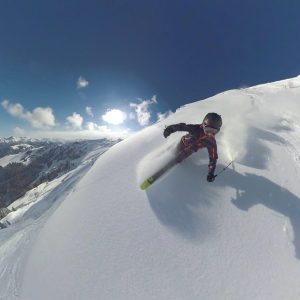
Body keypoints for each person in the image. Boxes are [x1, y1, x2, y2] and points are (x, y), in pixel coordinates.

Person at [163, 112, 222, 182]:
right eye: (208, 129)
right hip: (183, 143)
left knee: (178, 159)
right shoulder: (196, 128)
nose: (210, 133)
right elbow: (181, 126)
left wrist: (211, 173)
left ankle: (173, 162)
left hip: (190, 150)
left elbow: (213, 159)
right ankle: (166, 153)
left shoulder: (211, 142)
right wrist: (169, 129)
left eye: (214, 131)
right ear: (203, 125)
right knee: (174, 152)